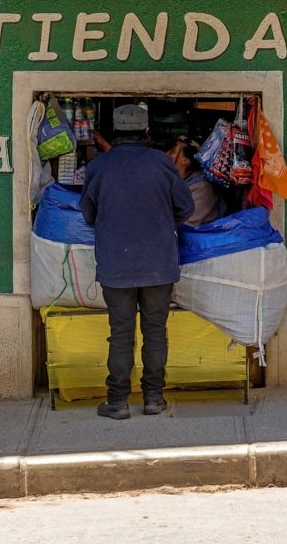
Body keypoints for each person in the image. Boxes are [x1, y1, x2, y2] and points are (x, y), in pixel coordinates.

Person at [80, 104, 195, 420]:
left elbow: (88, 214)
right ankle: (153, 399)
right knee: (155, 330)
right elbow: (185, 207)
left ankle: (117, 402)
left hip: (116, 264)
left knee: (120, 333)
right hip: (158, 262)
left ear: (116, 132)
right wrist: (160, 221)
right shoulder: (161, 163)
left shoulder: (99, 166)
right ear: (147, 131)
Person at [167, 136, 220, 227]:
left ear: (186, 160)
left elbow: (184, 224)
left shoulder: (202, 188)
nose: (167, 154)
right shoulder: (178, 181)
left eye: (173, 150)